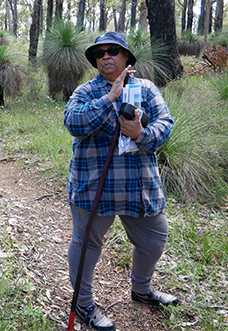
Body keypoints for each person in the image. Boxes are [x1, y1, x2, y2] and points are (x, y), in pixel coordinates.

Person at [64, 31, 178, 331]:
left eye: (113, 50)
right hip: (93, 187)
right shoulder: (86, 92)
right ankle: (83, 304)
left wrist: (140, 134)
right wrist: (109, 98)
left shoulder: (146, 89)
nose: (106, 56)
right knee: (86, 245)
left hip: (137, 187)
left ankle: (142, 290)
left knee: (154, 238)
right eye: (99, 53)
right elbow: (73, 123)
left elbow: (166, 124)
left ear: (126, 57)